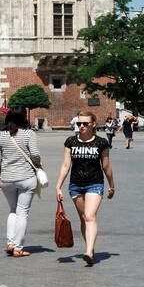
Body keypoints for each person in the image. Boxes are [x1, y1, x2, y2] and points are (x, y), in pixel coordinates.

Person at [55, 112, 115, 265]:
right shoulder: (70, 141)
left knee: (89, 216)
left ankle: (88, 251)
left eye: (85, 124)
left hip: (95, 183)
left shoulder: (101, 143)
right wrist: (58, 186)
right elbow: (66, 165)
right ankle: (90, 247)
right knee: (83, 218)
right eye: (79, 124)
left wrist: (112, 185)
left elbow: (106, 165)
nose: (81, 126)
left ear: (93, 124)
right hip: (75, 184)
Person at [0, 105, 43, 257]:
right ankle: (18, 247)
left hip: (7, 178)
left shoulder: (0, 135)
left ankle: (10, 242)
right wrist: (39, 165)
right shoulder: (29, 134)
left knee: (13, 210)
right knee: (23, 213)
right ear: (24, 118)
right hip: (26, 178)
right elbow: (35, 154)